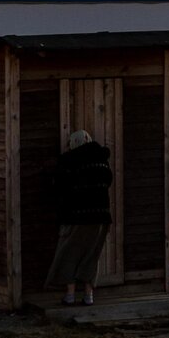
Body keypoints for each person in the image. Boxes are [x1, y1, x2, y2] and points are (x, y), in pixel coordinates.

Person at [46, 127, 113, 306]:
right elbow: (108, 181)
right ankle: (89, 295)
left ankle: (70, 295)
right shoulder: (102, 161)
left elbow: (59, 188)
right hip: (101, 218)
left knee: (69, 254)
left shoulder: (69, 162)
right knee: (91, 256)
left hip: (76, 217)